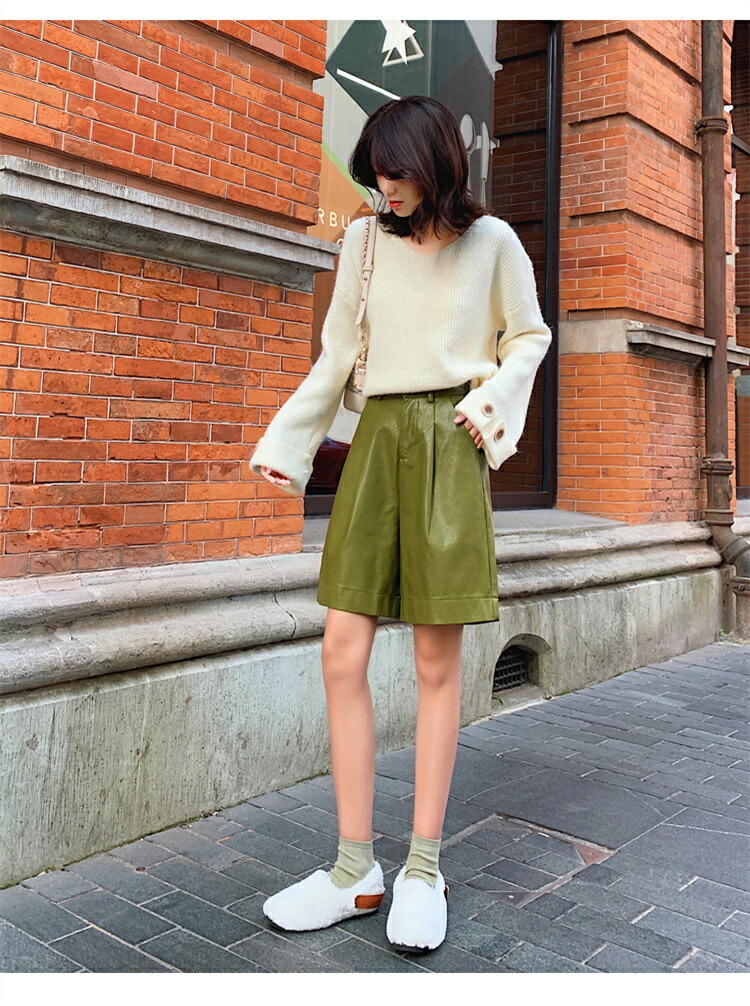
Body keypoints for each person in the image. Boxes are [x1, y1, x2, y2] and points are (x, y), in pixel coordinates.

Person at [249, 95, 552, 952]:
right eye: (375, 173)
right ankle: (354, 869)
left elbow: (529, 337)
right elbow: (338, 352)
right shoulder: (364, 242)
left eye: (396, 172)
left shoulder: (493, 243)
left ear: (435, 163)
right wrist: (291, 443)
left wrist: (491, 406)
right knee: (341, 649)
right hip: (378, 440)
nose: (384, 187)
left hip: (450, 443)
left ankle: (422, 867)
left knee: (433, 661)